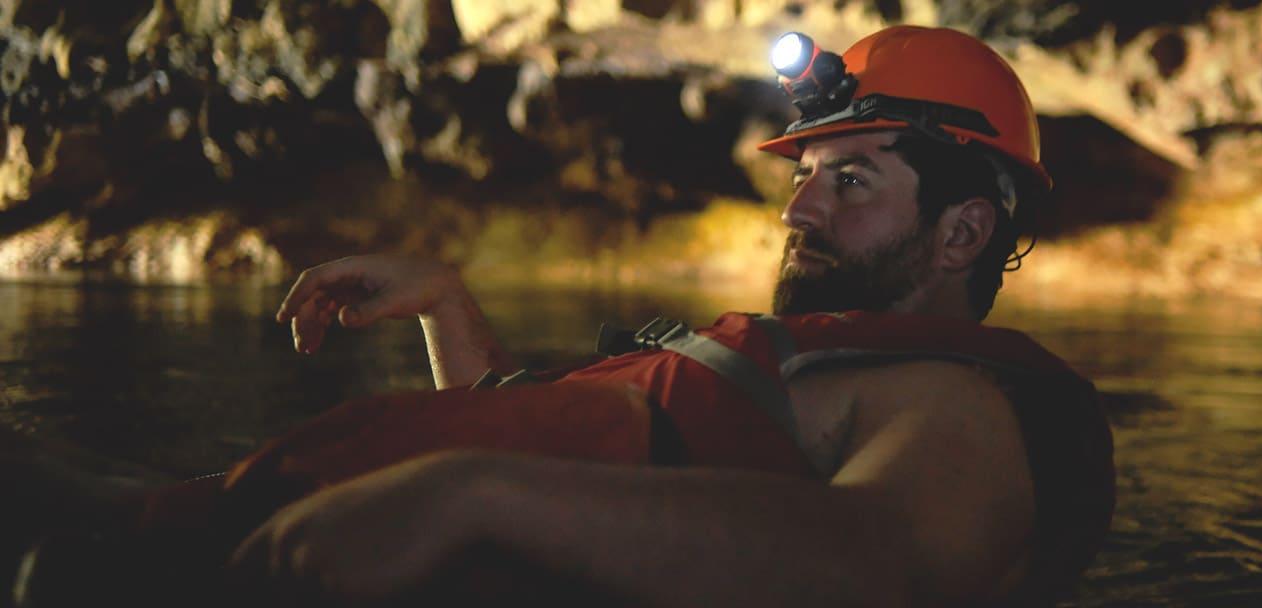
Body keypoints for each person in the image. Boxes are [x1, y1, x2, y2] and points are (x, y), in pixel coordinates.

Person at [15, 26, 1113, 607]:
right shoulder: (793, 374)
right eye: (806, 172)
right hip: (202, 522)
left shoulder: (955, 402)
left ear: (965, 233)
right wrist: (450, 305)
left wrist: (472, 488)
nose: (799, 202)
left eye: (853, 180)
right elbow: (567, 461)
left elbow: (882, 566)